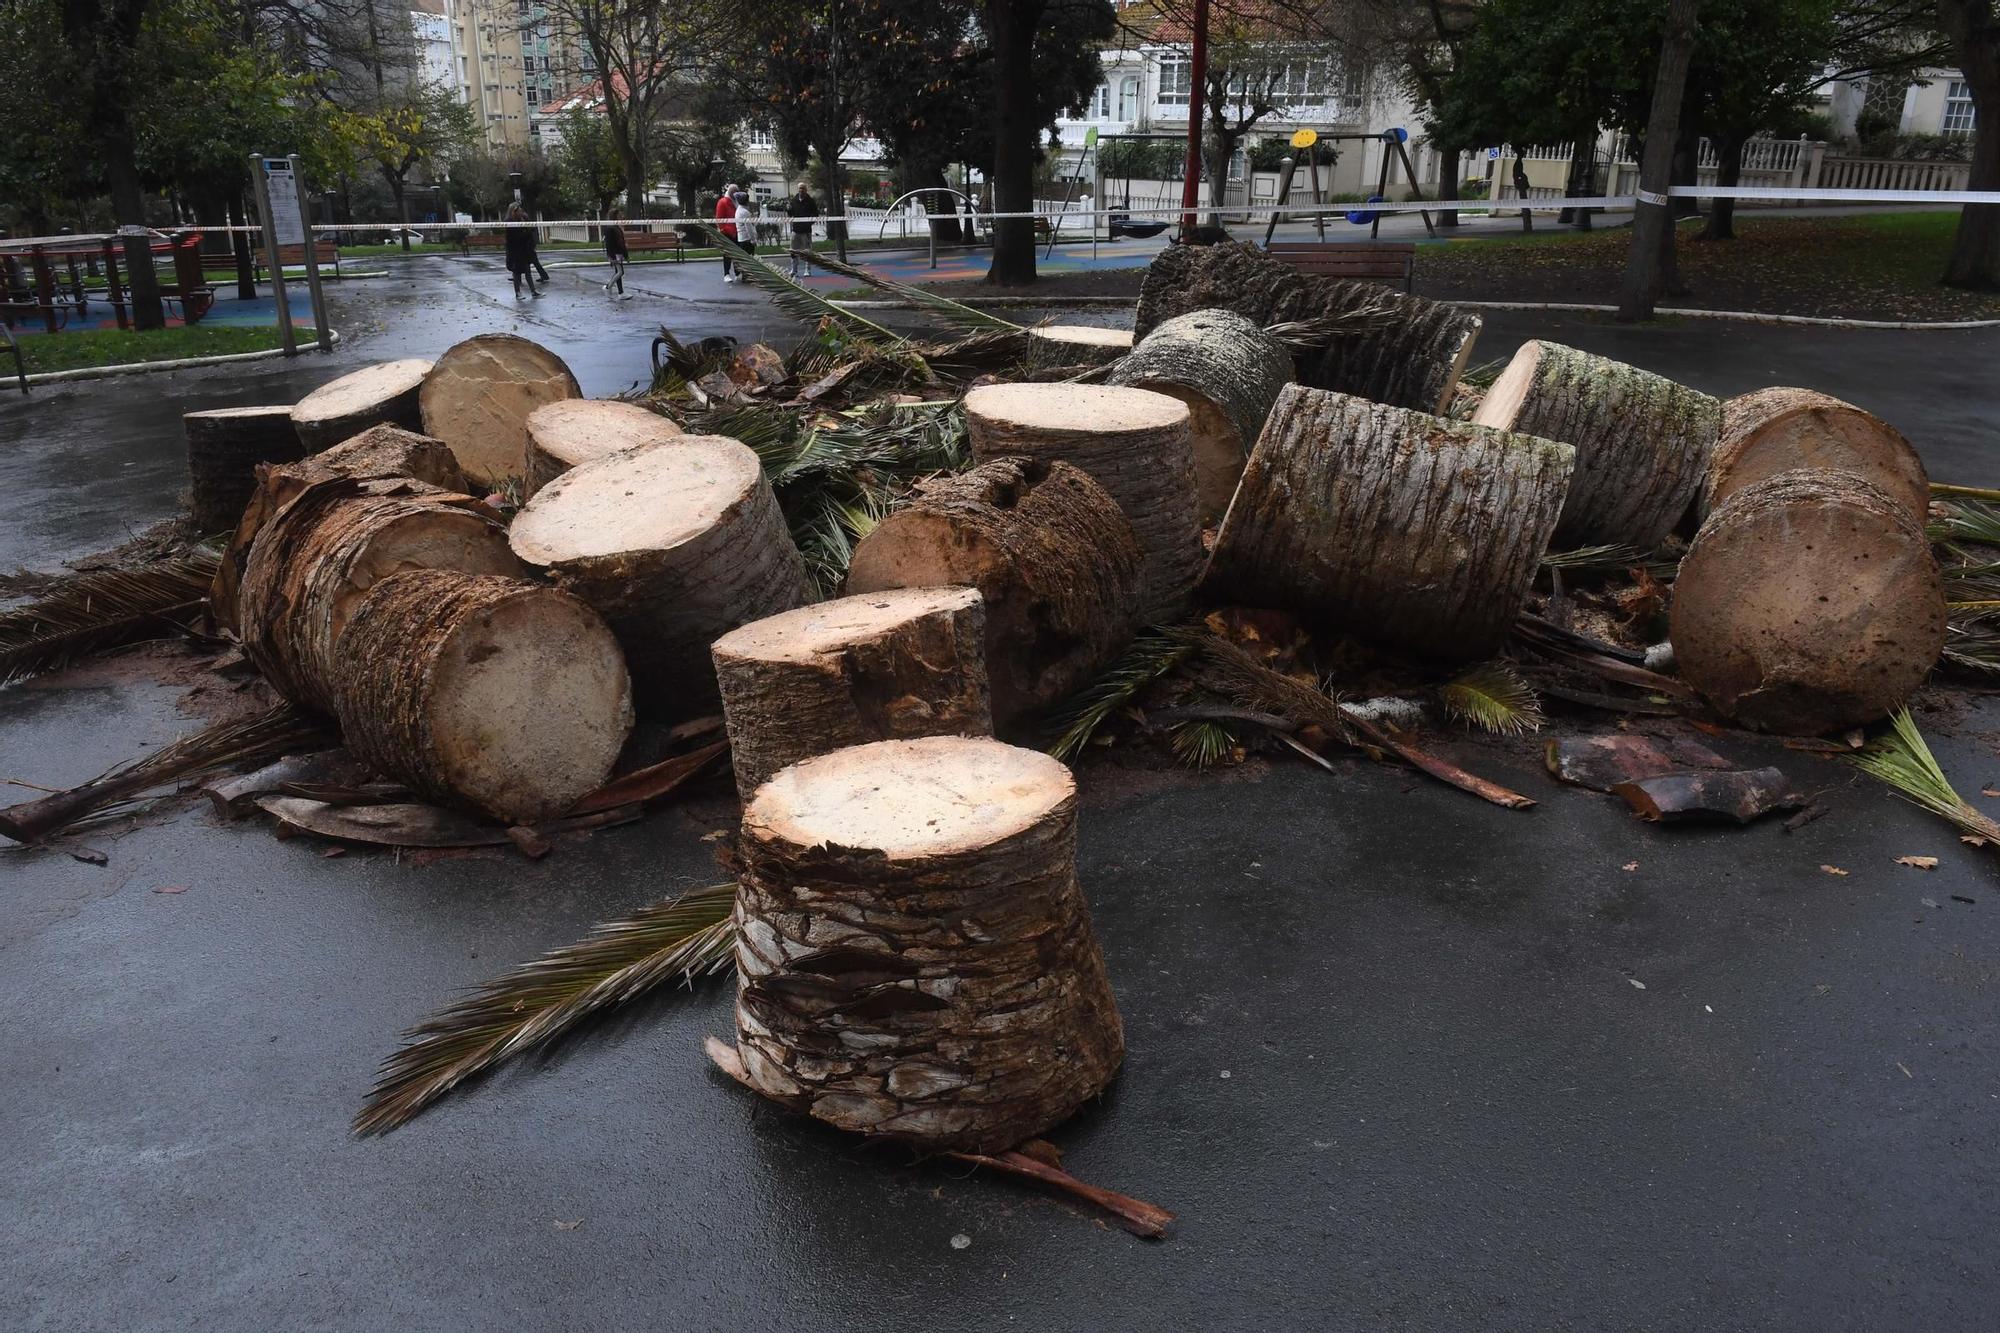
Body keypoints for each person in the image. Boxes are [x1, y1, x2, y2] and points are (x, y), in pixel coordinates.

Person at [503, 203, 539, 298]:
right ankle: (517, 293)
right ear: (513, 211)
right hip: (514, 251)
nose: (521, 212)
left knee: (527, 270)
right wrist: (528, 231)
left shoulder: (522, 219)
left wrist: (530, 228)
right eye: (518, 210)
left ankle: (533, 291)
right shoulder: (509, 222)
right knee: (516, 272)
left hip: (523, 250)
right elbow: (517, 237)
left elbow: (527, 232)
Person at [785, 181, 818, 278]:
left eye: (803, 188)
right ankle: (794, 270)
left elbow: (815, 215)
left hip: (806, 230)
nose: (801, 190)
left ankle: (807, 270)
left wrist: (808, 223)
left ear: (806, 190)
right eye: (800, 188)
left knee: (807, 251)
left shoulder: (810, 201)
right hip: (795, 230)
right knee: (793, 251)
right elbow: (791, 215)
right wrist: (788, 209)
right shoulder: (794, 200)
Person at [602, 209, 630, 299]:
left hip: (618, 253)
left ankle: (621, 292)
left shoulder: (616, 227)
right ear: (615, 216)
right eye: (619, 215)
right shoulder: (610, 229)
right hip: (615, 254)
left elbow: (621, 242)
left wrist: (625, 254)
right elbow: (609, 244)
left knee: (618, 272)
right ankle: (608, 287)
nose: (621, 216)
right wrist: (611, 256)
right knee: (620, 272)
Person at [714, 184, 739, 282]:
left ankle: (738, 272)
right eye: (733, 192)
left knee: (737, 254)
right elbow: (719, 218)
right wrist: (723, 230)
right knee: (727, 254)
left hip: (737, 231)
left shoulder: (736, 202)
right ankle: (726, 274)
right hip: (727, 232)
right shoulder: (723, 202)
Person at [733, 188, 757, 274]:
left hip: (741, 238)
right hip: (746, 239)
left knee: (744, 259)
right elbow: (749, 227)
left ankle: (744, 274)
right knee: (749, 259)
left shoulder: (738, 211)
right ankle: (747, 275)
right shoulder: (745, 212)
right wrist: (753, 240)